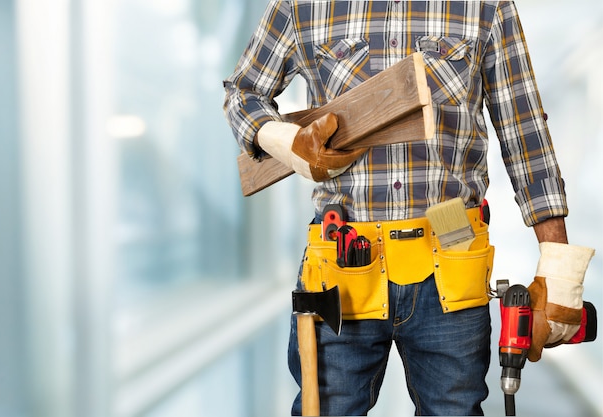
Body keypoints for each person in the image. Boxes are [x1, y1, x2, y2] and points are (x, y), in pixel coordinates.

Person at [223, 1, 594, 415]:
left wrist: (559, 266)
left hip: (450, 236)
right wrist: (283, 141)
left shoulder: (485, 7)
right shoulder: (302, 6)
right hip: (343, 251)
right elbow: (243, 92)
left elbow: (524, 129)